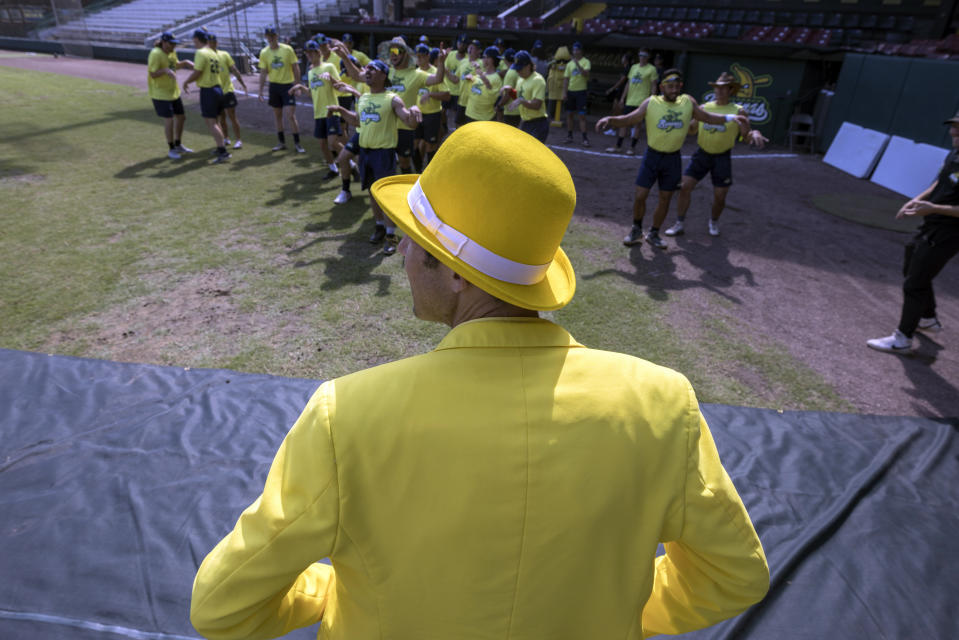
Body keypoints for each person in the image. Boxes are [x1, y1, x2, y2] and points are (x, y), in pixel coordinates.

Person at [190, 121, 770, 640]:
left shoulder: (347, 414)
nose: (400, 255)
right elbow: (734, 576)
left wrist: (327, 594)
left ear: (457, 273)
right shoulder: (662, 404)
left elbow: (221, 607)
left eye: (413, 241)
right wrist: (615, 613)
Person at [596, 69, 750, 249]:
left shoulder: (688, 102)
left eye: (677, 86)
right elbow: (630, 118)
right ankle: (636, 229)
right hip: (652, 156)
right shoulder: (651, 102)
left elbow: (708, 118)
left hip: (673, 159)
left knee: (665, 197)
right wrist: (611, 119)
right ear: (662, 87)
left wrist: (732, 117)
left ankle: (654, 233)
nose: (674, 89)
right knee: (640, 195)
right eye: (670, 86)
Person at [867, 112, 959, 354]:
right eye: (953, 127)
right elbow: (939, 184)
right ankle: (927, 319)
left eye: (958, 128)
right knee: (911, 262)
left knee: (914, 283)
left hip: (949, 232)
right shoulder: (955, 153)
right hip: (932, 224)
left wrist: (933, 208)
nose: (953, 132)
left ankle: (902, 339)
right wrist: (915, 200)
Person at [326, 59, 421, 255]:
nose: (367, 71)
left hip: (383, 154)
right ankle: (379, 227)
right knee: (371, 193)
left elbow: (409, 123)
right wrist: (341, 110)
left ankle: (391, 235)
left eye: (372, 69)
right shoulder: (364, 98)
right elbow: (358, 121)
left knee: (384, 197)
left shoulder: (392, 99)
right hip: (366, 152)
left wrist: (415, 113)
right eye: (366, 68)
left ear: (383, 75)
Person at [664, 72, 768, 238]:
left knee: (720, 196)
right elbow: (692, 130)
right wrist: (680, 123)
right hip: (701, 155)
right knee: (684, 187)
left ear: (731, 90)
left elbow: (746, 136)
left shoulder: (738, 111)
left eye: (723, 88)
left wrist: (755, 133)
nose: (719, 91)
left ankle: (713, 222)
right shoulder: (704, 108)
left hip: (722, 157)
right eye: (717, 88)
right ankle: (679, 223)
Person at [384, 36, 445, 174]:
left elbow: (438, 79)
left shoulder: (416, 74)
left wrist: (441, 62)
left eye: (397, 50)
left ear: (405, 54)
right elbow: (361, 76)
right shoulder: (386, 71)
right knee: (386, 164)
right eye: (391, 50)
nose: (393, 53)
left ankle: (415, 180)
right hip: (386, 126)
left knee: (405, 162)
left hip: (406, 126)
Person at [290, 38, 344, 181]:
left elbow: (340, 86)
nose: (309, 56)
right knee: (322, 145)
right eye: (307, 54)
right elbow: (312, 94)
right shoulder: (310, 72)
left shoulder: (329, 67)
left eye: (311, 53)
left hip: (331, 111)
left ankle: (351, 162)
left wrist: (331, 78)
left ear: (318, 53)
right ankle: (333, 169)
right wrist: (301, 87)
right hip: (319, 113)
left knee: (333, 143)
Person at [181, 29, 231, 164]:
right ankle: (221, 147)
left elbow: (198, 72)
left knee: (211, 122)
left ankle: (223, 151)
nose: (193, 42)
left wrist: (186, 82)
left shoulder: (201, 52)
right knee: (216, 121)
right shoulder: (213, 52)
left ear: (197, 39)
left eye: (194, 40)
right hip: (218, 89)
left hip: (209, 90)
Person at [146, 31, 194, 159]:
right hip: (160, 93)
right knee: (169, 119)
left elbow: (174, 66)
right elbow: (153, 74)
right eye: (171, 44)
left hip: (173, 91)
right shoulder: (155, 54)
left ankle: (178, 144)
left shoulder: (172, 52)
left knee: (181, 117)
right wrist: (165, 70)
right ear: (164, 42)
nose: (173, 46)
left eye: (174, 44)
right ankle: (171, 149)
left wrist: (185, 63)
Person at [257, 26, 304, 153]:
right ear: (266, 37)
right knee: (277, 116)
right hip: (274, 86)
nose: (271, 38)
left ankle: (297, 143)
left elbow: (296, 68)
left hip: (288, 86)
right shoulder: (264, 52)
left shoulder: (287, 49)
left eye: (273, 35)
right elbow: (263, 72)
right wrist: (260, 91)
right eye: (268, 36)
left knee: (290, 115)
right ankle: (281, 142)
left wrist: (297, 85)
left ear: (277, 36)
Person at [607, 49, 658, 155]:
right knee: (624, 123)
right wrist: (622, 98)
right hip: (630, 100)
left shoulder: (652, 69)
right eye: (640, 55)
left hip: (642, 102)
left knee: (637, 125)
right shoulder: (634, 67)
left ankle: (632, 147)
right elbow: (628, 84)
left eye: (644, 55)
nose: (642, 57)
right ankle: (618, 146)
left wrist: (652, 99)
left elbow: (654, 85)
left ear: (648, 57)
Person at [208, 33, 247, 150]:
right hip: (216, 92)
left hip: (227, 91)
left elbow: (234, 69)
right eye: (210, 42)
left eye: (214, 42)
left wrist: (242, 83)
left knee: (232, 116)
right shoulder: (206, 57)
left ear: (217, 43)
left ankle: (239, 140)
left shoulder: (224, 54)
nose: (212, 44)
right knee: (221, 118)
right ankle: (226, 138)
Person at [414, 45, 449, 169]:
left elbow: (446, 95)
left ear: (428, 56)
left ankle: (429, 173)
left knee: (430, 145)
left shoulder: (435, 72)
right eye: (417, 56)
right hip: (416, 114)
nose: (419, 59)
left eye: (422, 56)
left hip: (432, 114)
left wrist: (431, 94)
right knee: (415, 144)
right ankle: (417, 173)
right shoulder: (414, 72)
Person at [508, 50, 548, 143]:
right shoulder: (520, 79)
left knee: (534, 155)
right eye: (516, 69)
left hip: (538, 124)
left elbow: (537, 104)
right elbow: (518, 97)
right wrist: (510, 91)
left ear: (528, 66)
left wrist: (521, 101)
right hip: (525, 123)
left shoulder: (538, 80)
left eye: (520, 68)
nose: (518, 71)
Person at [463, 47, 503, 123]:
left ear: (492, 60)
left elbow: (491, 93)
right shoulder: (481, 75)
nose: (483, 59)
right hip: (470, 114)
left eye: (485, 57)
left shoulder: (496, 78)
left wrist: (480, 74)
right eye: (483, 57)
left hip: (484, 118)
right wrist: (471, 78)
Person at [562, 41, 591, 147]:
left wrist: (577, 63)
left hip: (581, 92)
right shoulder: (569, 64)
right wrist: (564, 92)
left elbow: (585, 74)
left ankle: (584, 138)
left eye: (577, 49)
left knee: (582, 116)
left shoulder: (586, 62)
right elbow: (566, 79)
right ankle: (569, 136)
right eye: (574, 50)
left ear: (581, 51)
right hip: (571, 92)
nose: (575, 51)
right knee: (569, 114)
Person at [442, 34, 468, 131]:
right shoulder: (451, 54)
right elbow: (444, 68)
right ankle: (444, 128)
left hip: (459, 92)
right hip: (447, 89)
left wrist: (448, 73)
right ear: (457, 43)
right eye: (460, 43)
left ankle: (455, 132)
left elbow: (453, 77)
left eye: (464, 44)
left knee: (456, 115)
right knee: (442, 111)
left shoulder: (467, 59)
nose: (461, 45)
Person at [498, 48, 521, 127]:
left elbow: (508, 94)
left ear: (505, 59)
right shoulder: (519, 71)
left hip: (510, 110)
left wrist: (499, 105)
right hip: (518, 109)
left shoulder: (510, 73)